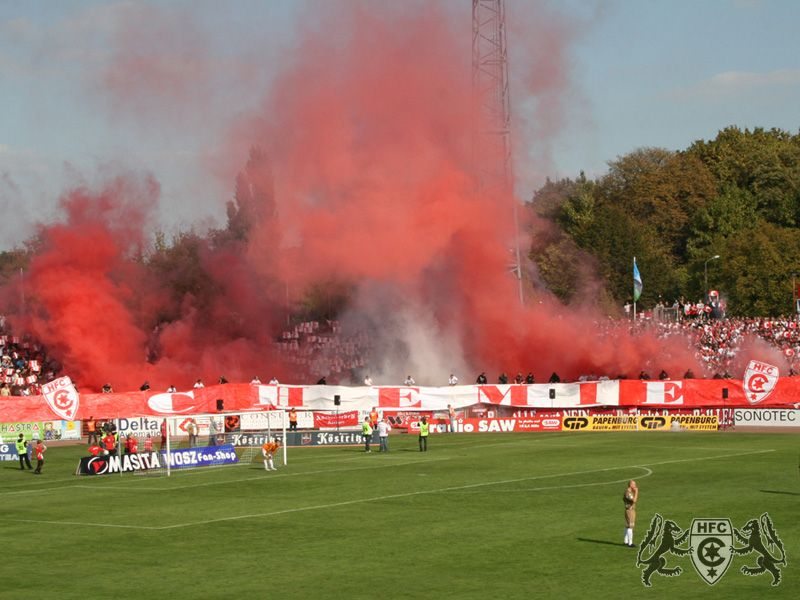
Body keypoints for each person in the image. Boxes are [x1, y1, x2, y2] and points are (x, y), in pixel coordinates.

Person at [623, 480, 638, 547]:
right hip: (630, 510)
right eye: (634, 484)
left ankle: (626, 541)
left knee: (627, 525)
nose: (635, 486)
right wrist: (636, 492)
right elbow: (634, 500)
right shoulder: (628, 493)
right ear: (630, 485)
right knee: (631, 526)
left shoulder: (627, 491)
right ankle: (630, 543)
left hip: (628, 510)